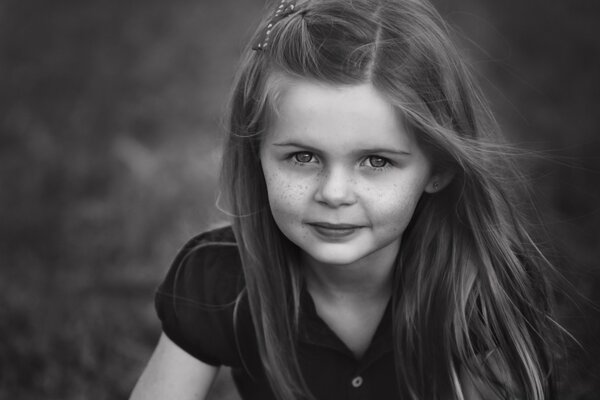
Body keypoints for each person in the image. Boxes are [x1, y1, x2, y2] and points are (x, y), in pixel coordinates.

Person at [130, 0, 563, 398]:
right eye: (303, 156)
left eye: (375, 161)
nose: (334, 193)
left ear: (440, 168)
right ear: (256, 154)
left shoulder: (478, 286)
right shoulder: (220, 280)